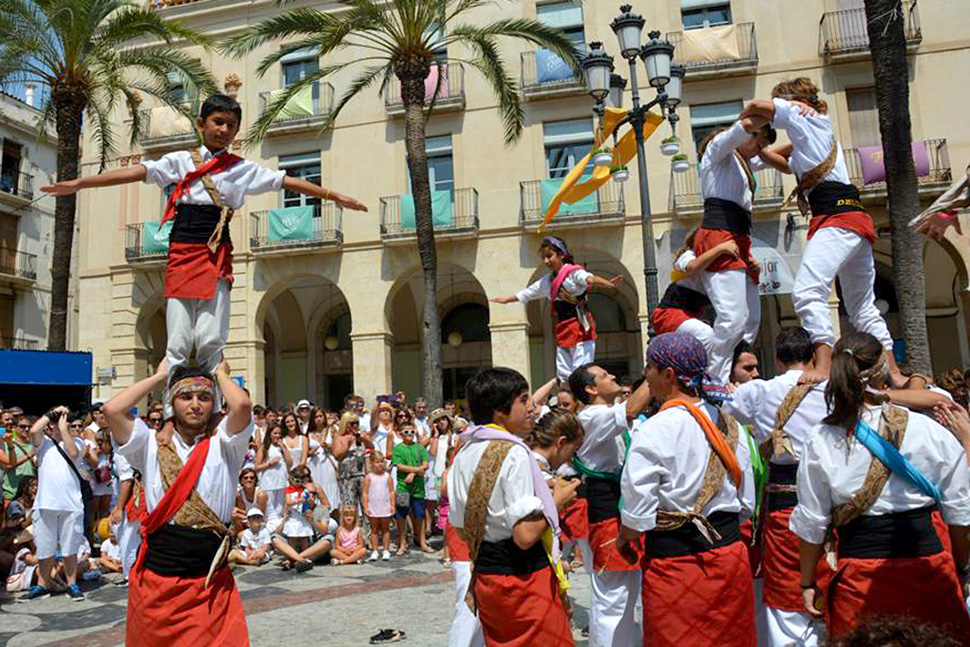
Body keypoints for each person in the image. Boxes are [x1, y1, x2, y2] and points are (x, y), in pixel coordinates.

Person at [42, 95, 366, 415]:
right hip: (183, 252)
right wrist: (82, 183)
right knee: (179, 341)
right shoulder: (179, 161)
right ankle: (170, 412)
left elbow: (285, 181)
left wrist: (332, 194)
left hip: (216, 254)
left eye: (231, 125)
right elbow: (136, 173)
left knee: (212, 338)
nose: (224, 129)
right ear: (202, 124)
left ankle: (215, 410)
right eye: (218, 122)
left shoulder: (240, 169)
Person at [790, 332, 970, 642]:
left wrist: (808, 582)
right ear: (883, 373)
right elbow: (961, 515)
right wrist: (959, 566)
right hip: (928, 571)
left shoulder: (821, 439)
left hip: (858, 579)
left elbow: (812, 523)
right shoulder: (927, 430)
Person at [739, 79, 905, 387]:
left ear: (799, 101)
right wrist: (760, 150)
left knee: (806, 291)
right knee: (862, 307)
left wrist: (741, 123)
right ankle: (894, 372)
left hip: (837, 219)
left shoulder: (806, 117)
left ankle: (824, 365)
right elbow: (786, 165)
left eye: (785, 102)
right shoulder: (812, 133)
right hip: (853, 220)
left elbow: (761, 108)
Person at [102, 360, 254, 647]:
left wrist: (220, 374)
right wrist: (160, 376)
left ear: (215, 404)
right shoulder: (148, 443)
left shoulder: (226, 444)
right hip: (160, 582)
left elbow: (243, 406)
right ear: (172, 404)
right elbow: (112, 410)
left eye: (204, 397)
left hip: (209, 584)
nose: (195, 404)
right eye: (185, 397)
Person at [618, 332, 756, 647]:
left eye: (649, 368)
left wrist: (625, 539)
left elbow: (638, 511)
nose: (645, 377)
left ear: (668, 375)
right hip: (729, 559)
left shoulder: (654, 430)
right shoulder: (731, 425)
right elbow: (746, 500)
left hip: (676, 567)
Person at [448, 367, 579, 647]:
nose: (531, 407)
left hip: (487, 577)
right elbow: (525, 535)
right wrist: (557, 501)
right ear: (499, 411)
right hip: (524, 580)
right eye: (523, 400)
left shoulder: (464, 451)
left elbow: (461, 529)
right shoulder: (515, 452)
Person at [723, 327, 828, 647]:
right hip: (830, 496)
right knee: (831, 579)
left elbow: (727, 412)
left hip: (785, 499)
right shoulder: (831, 388)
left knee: (786, 592)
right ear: (812, 357)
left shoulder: (758, 391)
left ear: (779, 361)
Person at [568, 363, 653, 647]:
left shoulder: (600, 415)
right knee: (613, 596)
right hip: (605, 509)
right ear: (591, 389)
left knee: (625, 593)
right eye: (604, 376)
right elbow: (630, 410)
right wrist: (657, 375)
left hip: (616, 506)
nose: (613, 376)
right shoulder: (591, 416)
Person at [690, 119, 778, 382]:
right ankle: (714, 378)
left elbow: (776, 156)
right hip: (720, 236)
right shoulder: (717, 151)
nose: (758, 150)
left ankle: (733, 372)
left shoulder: (742, 163)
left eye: (763, 146)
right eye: (757, 142)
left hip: (740, 240)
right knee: (732, 319)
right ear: (745, 135)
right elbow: (738, 133)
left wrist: (803, 141)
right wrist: (754, 121)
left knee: (750, 321)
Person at [491, 236, 622, 382]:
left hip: (580, 326)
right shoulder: (547, 281)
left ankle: (583, 395)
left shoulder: (573, 273)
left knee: (582, 368)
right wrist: (506, 300)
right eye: (544, 258)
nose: (546, 261)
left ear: (561, 255)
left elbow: (589, 279)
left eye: (549, 256)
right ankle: (567, 394)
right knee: (564, 371)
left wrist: (607, 283)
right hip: (563, 327)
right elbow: (527, 293)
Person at [22, 406, 86, 601]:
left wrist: (64, 428)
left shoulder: (77, 442)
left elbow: (73, 453)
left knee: (70, 548)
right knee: (45, 548)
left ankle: (72, 583)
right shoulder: (43, 443)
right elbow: (34, 430)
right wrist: (51, 414)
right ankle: (42, 585)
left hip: (71, 504)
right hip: (45, 503)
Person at [392, 422, 432, 555]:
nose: (409, 435)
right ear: (400, 433)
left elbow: (425, 465)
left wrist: (413, 473)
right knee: (401, 515)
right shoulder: (398, 448)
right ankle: (402, 542)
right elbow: (399, 466)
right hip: (403, 487)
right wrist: (416, 470)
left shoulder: (420, 448)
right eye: (406, 432)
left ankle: (422, 542)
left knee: (419, 515)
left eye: (411, 432)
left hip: (418, 488)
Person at [427, 408, 458, 535]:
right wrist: (434, 435)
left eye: (443, 419)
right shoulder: (436, 438)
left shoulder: (456, 436)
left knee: (449, 504)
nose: (441, 422)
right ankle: (433, 528)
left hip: (452, 473)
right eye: (438, 421)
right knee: (435, 502)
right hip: (438, 473)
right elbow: (433, 453)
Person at [333, 412, 370, 517]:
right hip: (347, 477)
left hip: (362, 474)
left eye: (357, 423)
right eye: (352, 423)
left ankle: (368, 532)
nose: (355, 426)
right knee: (349, 506)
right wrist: (347, 445)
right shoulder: (339, 436)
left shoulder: (361, 434)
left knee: (366, 505)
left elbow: (371, 446)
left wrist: (363, 439)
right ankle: (351, 530)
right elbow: (337, 455)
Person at [256, 424, 290, 531]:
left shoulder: (282, 447)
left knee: (280, 511)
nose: (277, 435)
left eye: (279, 433)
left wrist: (283, 448)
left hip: (282, 482)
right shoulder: (264, 447)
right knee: (269, 511)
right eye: (275, 433)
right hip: (268, 483)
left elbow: (290, 462)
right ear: (269, 434)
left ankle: (279, 530)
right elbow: (256, 467)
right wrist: (269, 463)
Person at [308, 406, 341, 512]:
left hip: (329, 464)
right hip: (315, 465)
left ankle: (334, 521)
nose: (318, 419)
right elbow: (305, 453)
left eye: (320, 416)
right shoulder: (309, 433)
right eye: (316, 417)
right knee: (318, 491)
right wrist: (311, 452)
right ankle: (322, 522)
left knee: (331, 490)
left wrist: (328, 446)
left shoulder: (332, 430)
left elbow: (339, 448)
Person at [363, 451, 394, 562]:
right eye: (377, 462)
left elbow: (391, 491)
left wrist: (392, 505)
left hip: (385, 505)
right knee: (374, 529)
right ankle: (375, 550)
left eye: (382, 462)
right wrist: (366, 506)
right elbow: (365, 493)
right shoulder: (369, 477)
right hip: (373, 506)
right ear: (371, 463)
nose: (380, 464)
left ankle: (386, 550)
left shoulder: (388, 477)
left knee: (385, 529)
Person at [1, 415, 35, 500]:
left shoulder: (34, 446)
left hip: (30, 496)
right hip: (11, 494)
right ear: (14, 427)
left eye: (29, 427)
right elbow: (7, 466)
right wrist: (29, 456)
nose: (26, 429)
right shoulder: (6, 445)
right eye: (22, 426)